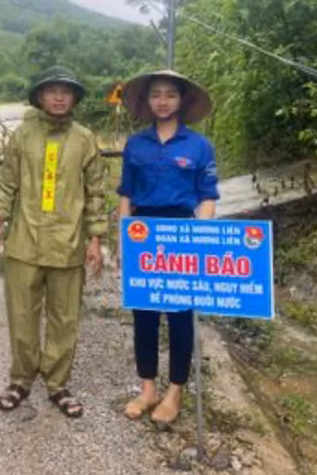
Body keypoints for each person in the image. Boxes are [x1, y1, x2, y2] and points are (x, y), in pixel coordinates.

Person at [0, 66, 107, 418]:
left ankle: (58, 384)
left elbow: (96, 193)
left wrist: (95, 240)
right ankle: (20, 380)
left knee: (64, 317)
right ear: (39, 96)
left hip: (68, 245)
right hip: (24, 243)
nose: (58, 96)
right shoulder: (22, 136)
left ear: (74, 99)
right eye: (51, 90)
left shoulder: (85, 139)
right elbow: (7, 185)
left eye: (65, 91)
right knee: (21, 314)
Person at [116, 69, 219, 424]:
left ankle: (175, 392)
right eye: (156, 94)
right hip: (143, 233)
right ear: (147, 101)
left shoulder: (199, 146)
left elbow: (207, 198)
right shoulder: (136, 144)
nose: (162, 101)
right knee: (143, 314)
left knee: (179, 318)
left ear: (182, 101)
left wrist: (200, 239)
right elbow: (126, 196)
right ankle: (148, 389)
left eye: (170, 95)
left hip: (182, 234)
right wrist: (123, 240)